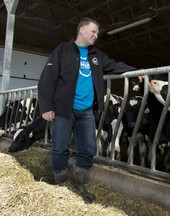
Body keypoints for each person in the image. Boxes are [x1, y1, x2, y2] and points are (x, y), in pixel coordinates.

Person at [38, 17, 141, 203]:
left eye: (97, 33)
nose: (96, 35)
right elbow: (47, 78)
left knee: (89, 150)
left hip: (86, 111)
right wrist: (46, 107)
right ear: (82, 31)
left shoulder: (96, 55)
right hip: (63, 110)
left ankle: (77, 183)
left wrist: (136, 70)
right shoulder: (62, 51)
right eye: (93, 32)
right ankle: (61, 186)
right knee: (61, 149)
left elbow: (115, 66)